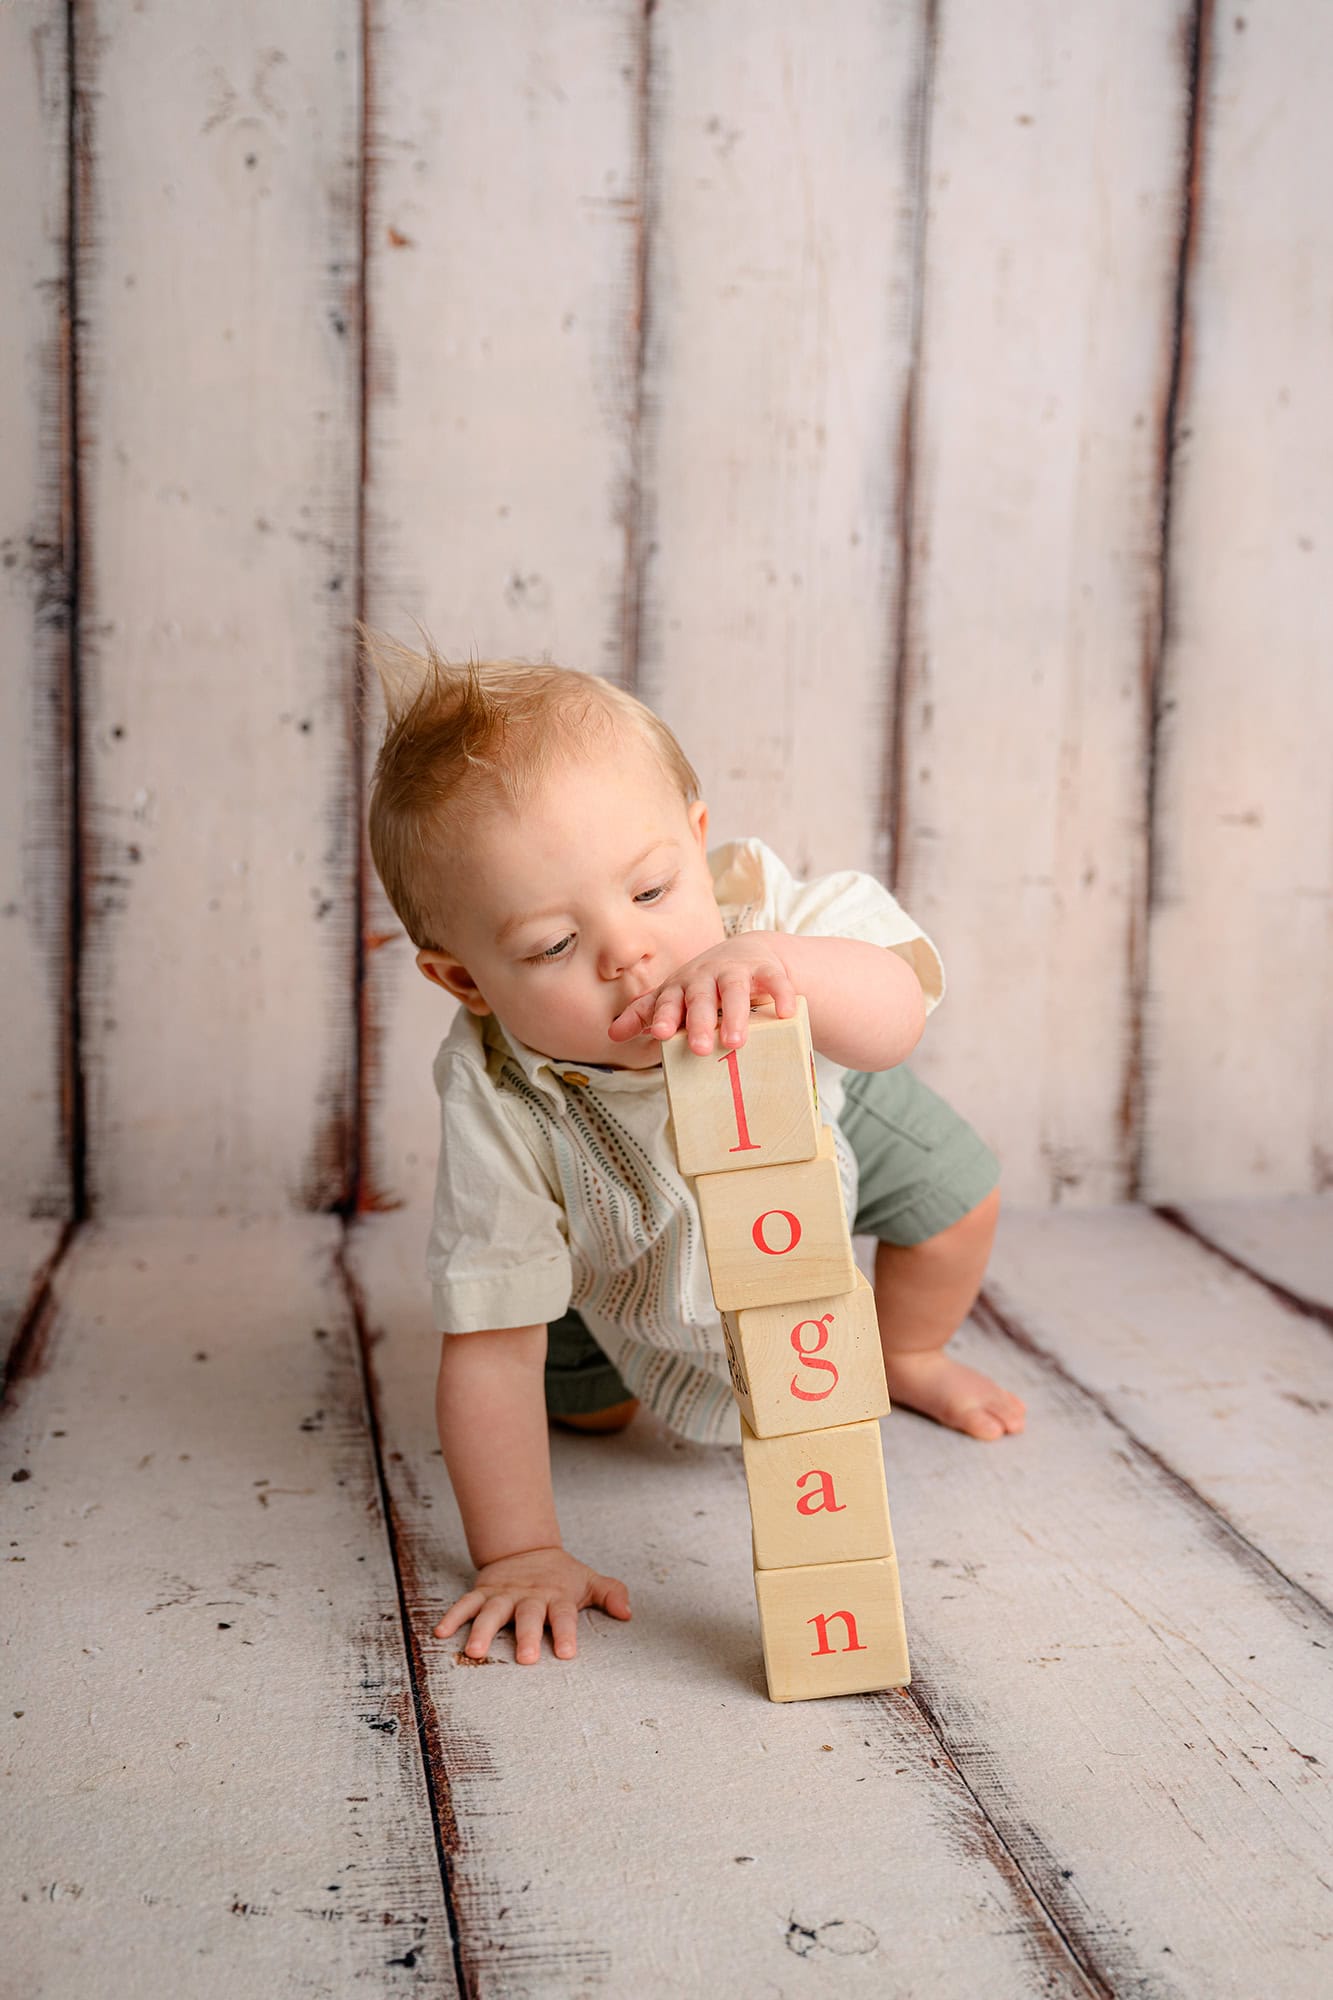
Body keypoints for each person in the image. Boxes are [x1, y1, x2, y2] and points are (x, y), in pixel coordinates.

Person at [362, 631, 1024, 1669]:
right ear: (466, 981)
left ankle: (905, 1350)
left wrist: (777, 962)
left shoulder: (775, 918)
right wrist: (521, 1547)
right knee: (590, 1411)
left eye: (652, 889)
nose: (629, 949)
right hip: (614, 1241)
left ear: (695, 832)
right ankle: (613, 1367)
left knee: (958, 1198)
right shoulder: (502, 1098)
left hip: (823, 1104)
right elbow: (489, 1338)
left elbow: (895, 1016)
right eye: (551, 945)